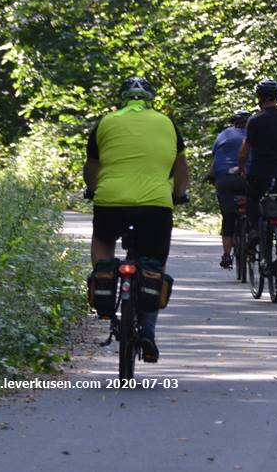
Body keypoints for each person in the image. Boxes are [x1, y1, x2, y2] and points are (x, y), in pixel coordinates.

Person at [83, 76, 189, 363]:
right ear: (151, 100)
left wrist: (92, 190)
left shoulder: (105, 123)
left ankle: (105, 278)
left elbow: (92, 166)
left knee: (103, 240)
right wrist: (179, 194)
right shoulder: (167, 123)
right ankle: (149, 333)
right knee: (154, 261)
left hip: (111, 200)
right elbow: (180, 166)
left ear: (121, 99)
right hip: (155, 204)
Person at [237, 78, 277, 287]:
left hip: (260, 174)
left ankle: (254, 231)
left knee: (252, 197)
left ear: (259, 98)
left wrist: (242, 167)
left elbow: (245, 150)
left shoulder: (255, 120)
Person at [209, 109, 251, 268]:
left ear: (234, 123)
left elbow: (216, 159)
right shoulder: (254, 135)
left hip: (225, 179)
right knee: (253, 208)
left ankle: (226, 255)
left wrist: (211, 176)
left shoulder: (224, 135)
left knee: (228, 217)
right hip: (248, 178)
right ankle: (253, 233)